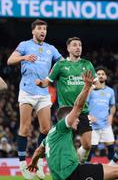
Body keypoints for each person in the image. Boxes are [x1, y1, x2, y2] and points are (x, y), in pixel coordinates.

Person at [27, 70, 118, 180]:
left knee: (113, 175)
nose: (78, 120)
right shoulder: (62, 126)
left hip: (65, 176)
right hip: (73, 173)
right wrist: (86, 87)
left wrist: (33, 163)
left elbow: (39, 150)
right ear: (67, 119)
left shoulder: (49, 137)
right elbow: (78, 107)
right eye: (76, 119)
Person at [7, 19, 62, 179]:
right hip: (27, 91)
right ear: (33, 31)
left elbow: (61, 63)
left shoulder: (50, 49)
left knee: (46, 129)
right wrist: (24, 58)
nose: (42, 31)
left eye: (44, 29)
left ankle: (38, 162)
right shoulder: (24, 45)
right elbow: (10, 61)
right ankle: (23, 164)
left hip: (44, 93)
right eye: (39, 28)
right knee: (25, 128)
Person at [36, 37, 95, 163]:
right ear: (68, 48)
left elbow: (94, 83)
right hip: (66, 111)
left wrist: (89, 89)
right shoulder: (60, 65)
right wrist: (41, 83)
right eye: (74, 45)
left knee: (88, 145)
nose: (78, 47)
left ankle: (80, 160)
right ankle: (69, 167)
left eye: (80, 45)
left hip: (83, 110)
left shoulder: (87, 64)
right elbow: (48, 81)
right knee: (67, 144)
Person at [87, 66, 116, 162]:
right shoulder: (90, 90)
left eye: (103, 74)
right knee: (91, 148)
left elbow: (112, 106)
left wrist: (111, 115)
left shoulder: (110, 91)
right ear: (95, 76)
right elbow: (83, 104)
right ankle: (86, 167)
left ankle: (112, 167)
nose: (100, 76)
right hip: (92, 125)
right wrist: (88, 116)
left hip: (105, 124)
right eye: (98, 74)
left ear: (106, 77)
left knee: (111, 146)